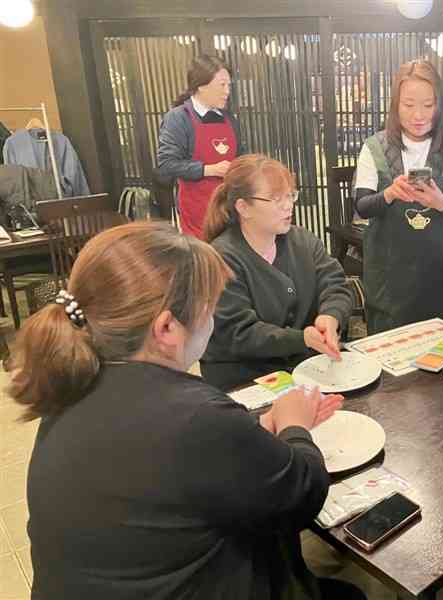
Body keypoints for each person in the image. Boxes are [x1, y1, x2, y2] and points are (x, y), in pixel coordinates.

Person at [9, 221, 364, 600]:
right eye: (210, 308)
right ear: (166, 328)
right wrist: (295, 424)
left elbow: (166, 468)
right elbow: (304, 494)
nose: (212, 319)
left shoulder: (71, 385)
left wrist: (255, 427)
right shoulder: (195, 416)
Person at [201, 154, 353, 391]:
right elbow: (239, 332)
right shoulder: (221, 257)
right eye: (275, 198)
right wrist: (301, 338)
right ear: (243, 207)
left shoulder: (302, 241)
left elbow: (334, 283)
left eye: (290, 195)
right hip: (244, 378)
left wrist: (331, 316)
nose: (288, 205)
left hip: (304, 366)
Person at [355, 59, 443, 333]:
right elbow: (362, 207)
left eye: (428, 105)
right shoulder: (374, 147)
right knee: (386, 347)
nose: (418, 115)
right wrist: (388, 194)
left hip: (433, 272)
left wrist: (441, 203)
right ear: (396, 105)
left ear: (439, 105)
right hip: (387, 272)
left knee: (433, 344)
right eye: (409, 105)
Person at [157, 54, 246, 239]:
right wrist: (209, 169)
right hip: (198, 210)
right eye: (222, 85)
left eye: (229, 85)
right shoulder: (179, 118)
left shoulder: (229, 118)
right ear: (201, 85)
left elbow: (241, 156)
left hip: (229, 206)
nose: (227, 91)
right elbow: (167, 163)